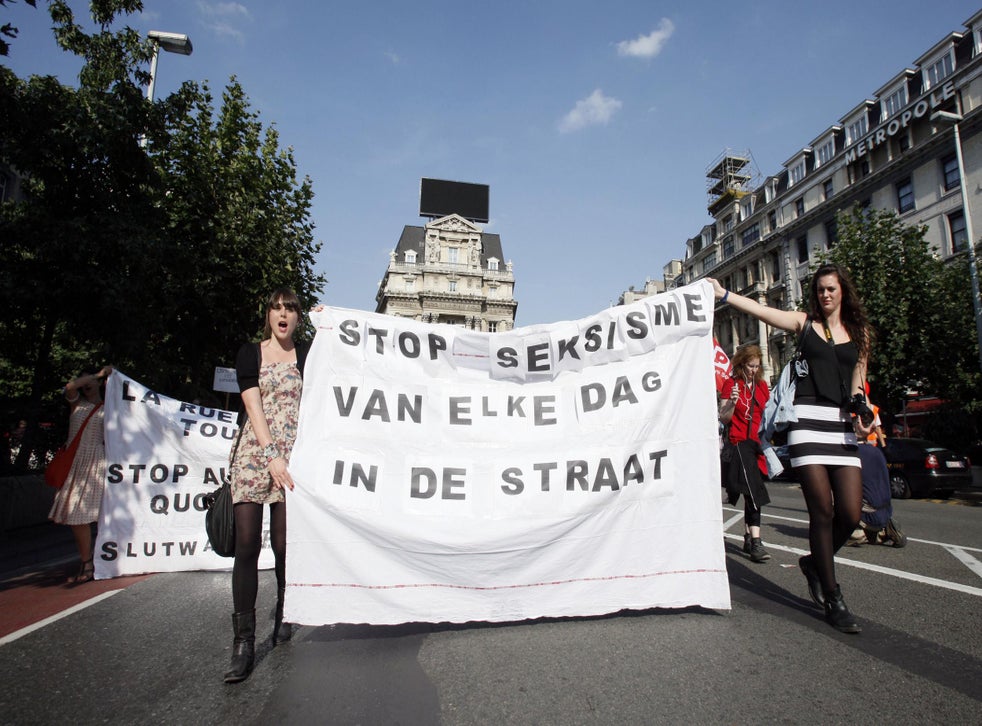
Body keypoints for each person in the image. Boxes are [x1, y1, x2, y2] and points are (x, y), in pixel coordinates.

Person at [708, 264, 874, 634]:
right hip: (806, 423)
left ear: (843, 291)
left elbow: (858, 382)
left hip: (840, 425)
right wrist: (723, 295)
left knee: (849, 512)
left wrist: (863, 411)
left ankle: (816, 563)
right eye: (819, 290)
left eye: (831, 289)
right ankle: (833, 597)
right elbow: (764, 312)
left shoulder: (860, 335)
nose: (825, 295)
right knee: (823, 511)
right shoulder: (804, 325)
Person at [224, 288, 309, 684]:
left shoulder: (307, 356)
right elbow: (253, 407)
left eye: (290, 309)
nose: (283, 314)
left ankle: (284, 612)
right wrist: (271, 454)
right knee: (245, 545)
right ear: (268, 315)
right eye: (277, 308)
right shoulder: (249, 353)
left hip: (294, 461)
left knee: (282, 545)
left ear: (297, 317)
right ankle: (243, 643)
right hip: (256, 455)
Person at [49, 366, 114, 584]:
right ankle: (86, 560)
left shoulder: (109, 408)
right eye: (84, 380)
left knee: (105, 515)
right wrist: (97, 375)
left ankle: (103, 558)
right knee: (77, 513)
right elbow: (70, 386)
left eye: (91, 381)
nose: (86, 384)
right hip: (77, 463)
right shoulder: (77, 404)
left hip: (100, 462)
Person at [719, 344, 772, 563]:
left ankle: (749, 536)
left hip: (756, 444)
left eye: (757, 366)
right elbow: (724, 418)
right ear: (742, 364)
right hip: (738, 442)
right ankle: (757, 543)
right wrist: (731, 402)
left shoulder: (761, 386)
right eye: (750, 366)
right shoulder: (731, 384)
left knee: (750, 491)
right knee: (753, 490)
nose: (753, 370)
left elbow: (767, 414)